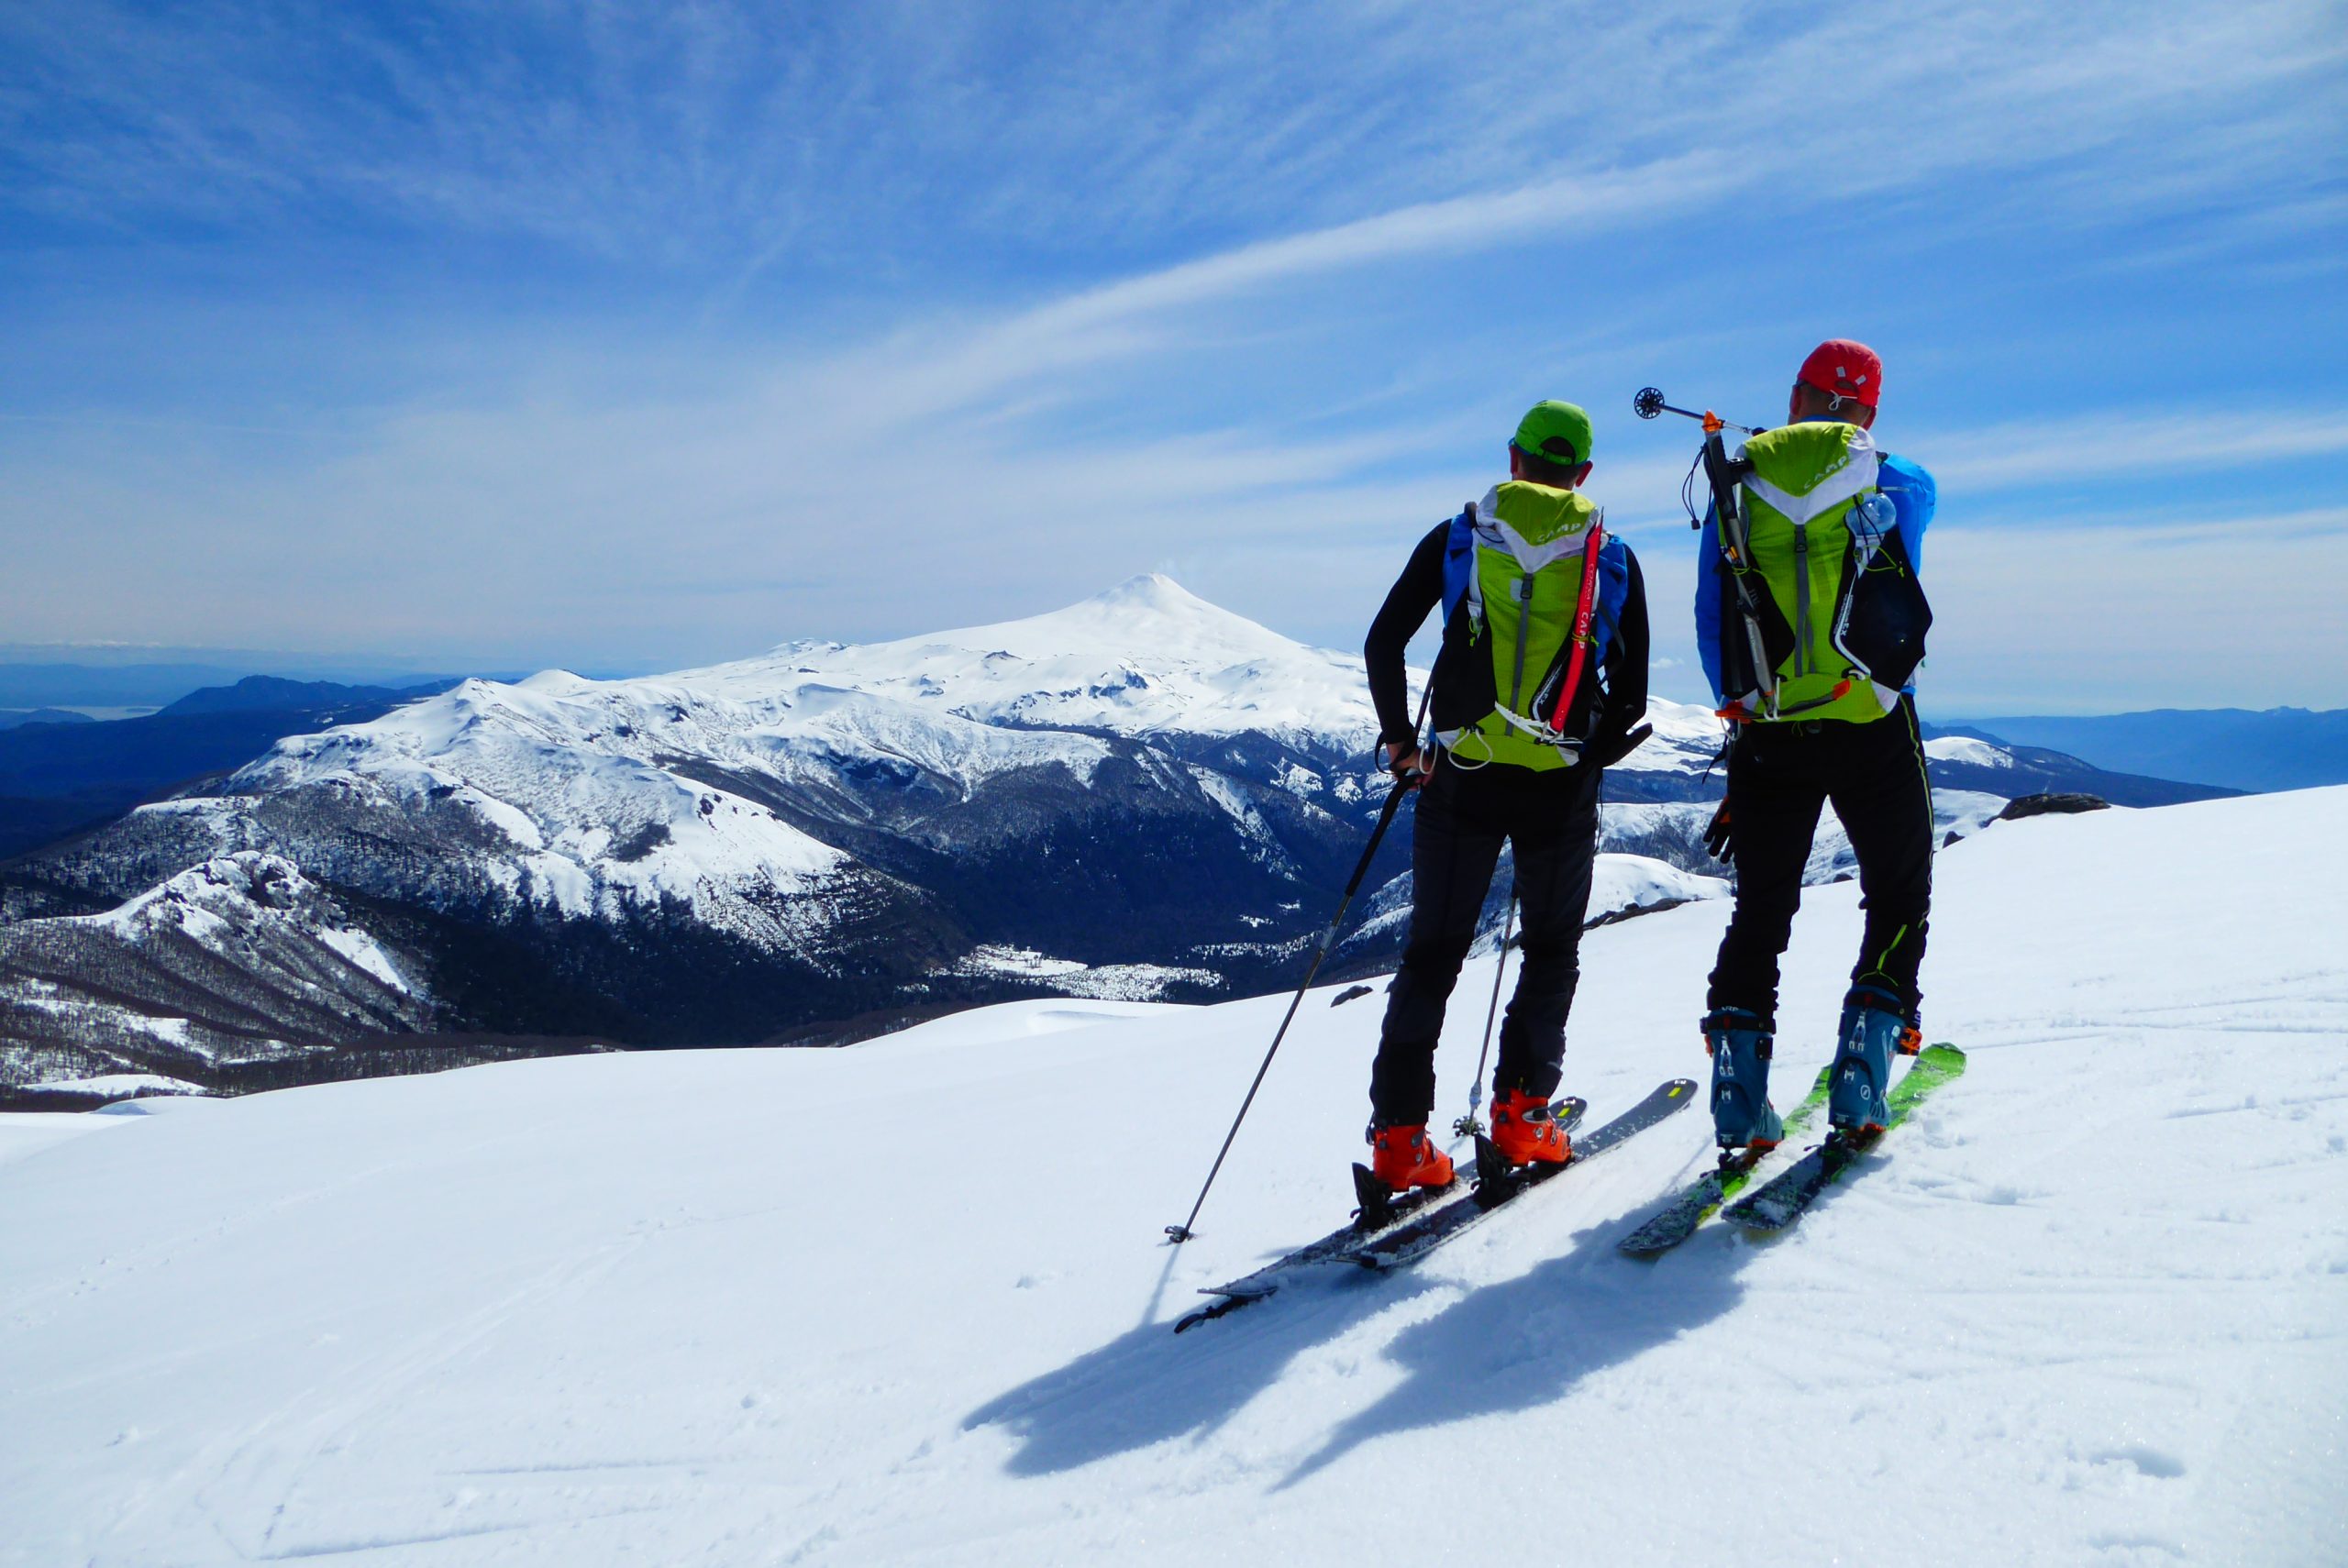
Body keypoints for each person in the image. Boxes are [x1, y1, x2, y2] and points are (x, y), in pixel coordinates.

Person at [1359, 400, 1652, 1191]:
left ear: (1514, 459)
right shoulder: (1610, 554)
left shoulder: (1458, 535)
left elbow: (1384, 639)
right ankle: (1523, 1118)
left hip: (1462, 774)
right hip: (1558, 787)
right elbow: (1631, 697)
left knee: (1433, 953)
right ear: (1583, 474)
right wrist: (1583, 757)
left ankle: (1399, 1140)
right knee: (1551, 948)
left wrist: (1402, 744)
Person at [1693, 339, 1938, 1150]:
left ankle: (1737, 1088)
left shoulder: (1738, 482)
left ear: (1795, 396)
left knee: (1762, 906)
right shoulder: (1904, 481)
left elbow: (1712, 610)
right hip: (1870, 717)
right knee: (1897, 889)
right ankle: (1865, 1065)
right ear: (1869, 412)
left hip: (1769, 727)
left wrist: (1742, 708)